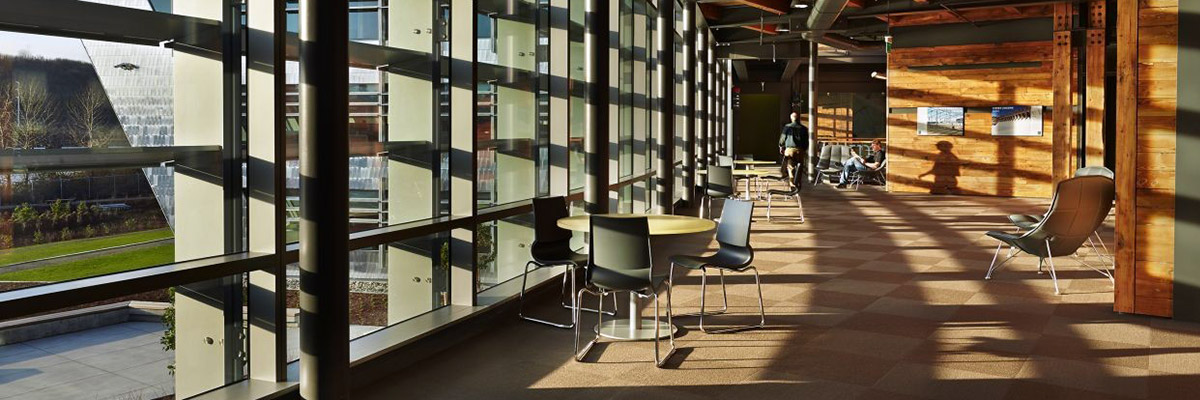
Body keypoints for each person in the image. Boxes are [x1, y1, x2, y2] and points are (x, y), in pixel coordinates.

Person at [778, 111, 809, 182]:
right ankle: (798, 183)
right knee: (799, 167)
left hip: (790, 150)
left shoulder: (787, 127)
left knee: (790, 167)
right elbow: (806, 141)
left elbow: (783, 138)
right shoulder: (803, 128)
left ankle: (792, 184)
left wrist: (781, 146)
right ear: (799, 119)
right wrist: (804, 149)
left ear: (791, 118)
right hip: (800, 150)